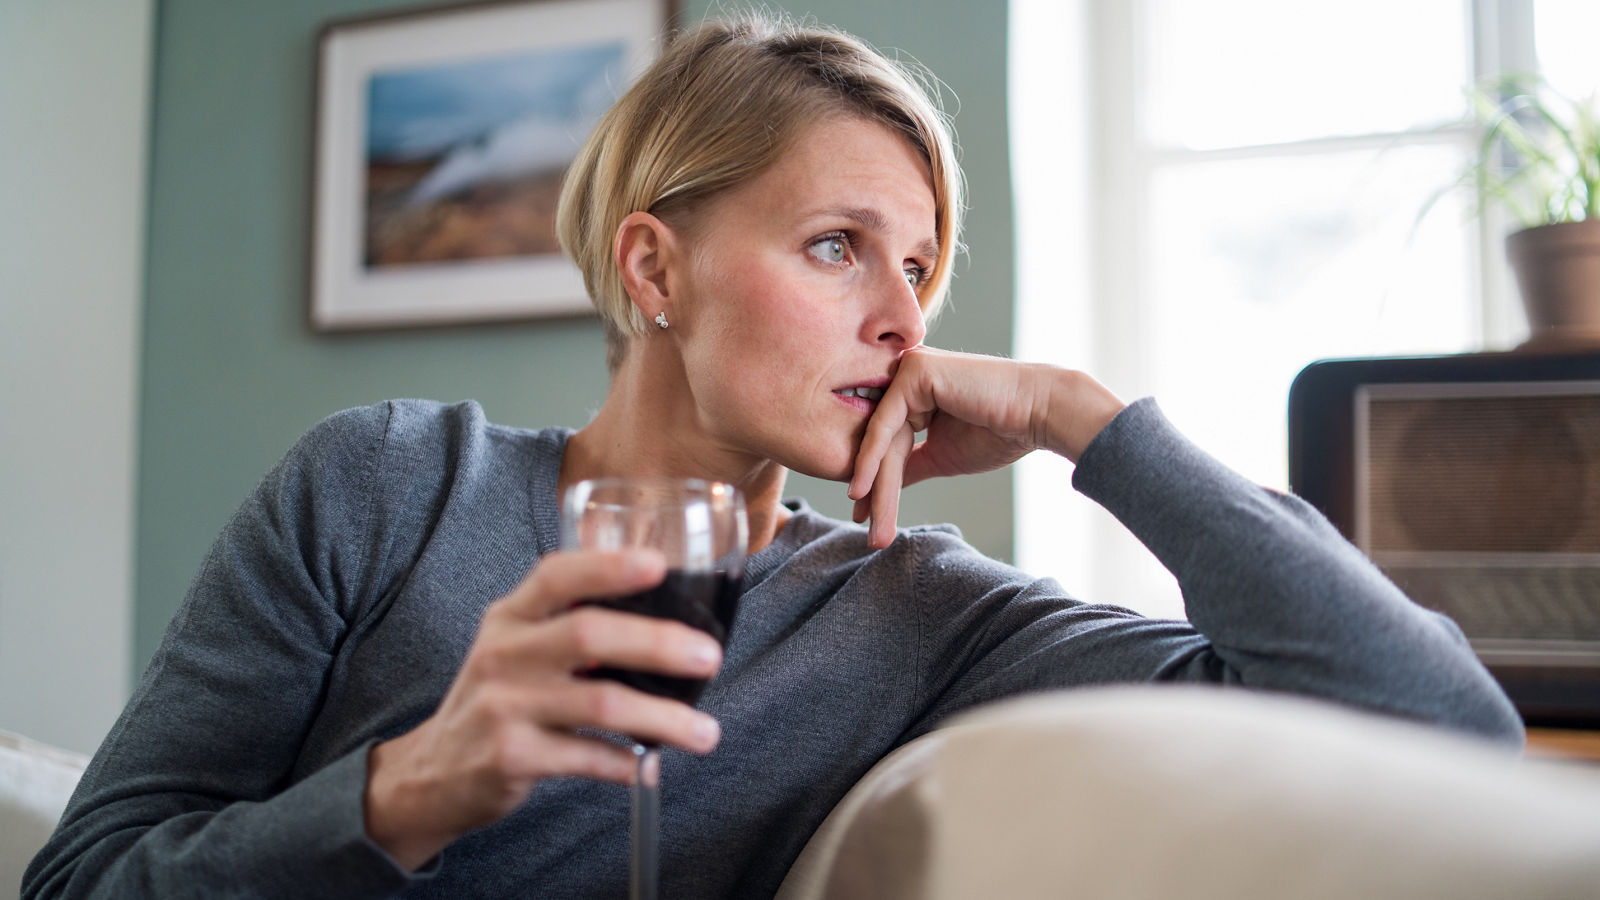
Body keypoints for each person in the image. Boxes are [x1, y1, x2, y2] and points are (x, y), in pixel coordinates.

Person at [24, 12, 1522, 900]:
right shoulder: (384, 484)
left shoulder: (915, 605)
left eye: (919, 268)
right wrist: (412, 786)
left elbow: (1436, 722)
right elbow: (82, 880)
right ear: (654, 267)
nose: (901, 316)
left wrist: (1086, 420)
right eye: (834, 246)